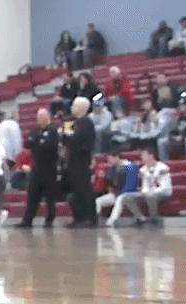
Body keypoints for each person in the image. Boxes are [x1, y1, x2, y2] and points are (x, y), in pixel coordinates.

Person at [16, 109, 60, 228]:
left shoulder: (53, 130)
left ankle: (50, 219)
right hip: (37, 167)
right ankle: (27, 220)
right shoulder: (34, 132)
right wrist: (39, 143)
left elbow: (50, 145)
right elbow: (28, 143)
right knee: (32, 195)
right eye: (38, 117)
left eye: (42, 117)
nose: (40, 120)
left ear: (48, 118)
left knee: (50, 196)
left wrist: (37, 143)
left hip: (50, 168)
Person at [62, 96, 98, 228]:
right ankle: (78, 218)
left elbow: (76, 139)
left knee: (84, 189)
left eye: (74, 106)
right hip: (73, 159)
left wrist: (68, 136)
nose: (72, 109)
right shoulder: (76, 123)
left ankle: (90, 218)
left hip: (82, 159)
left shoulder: (86, 122)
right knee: (76, 190)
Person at [113, 149, 172, 226]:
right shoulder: (143, 169)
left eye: (144, 156)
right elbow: (145, 186)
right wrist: (144, 192)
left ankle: (154, 219)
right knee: (126, 197)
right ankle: (140, 218)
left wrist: (149, 193)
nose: (142, 158)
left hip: (163, 191)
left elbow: (165, 186)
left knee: (150, 196)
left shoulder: (163, 167)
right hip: (148, 193)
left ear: (151, 155)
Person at [95, 150, 140, 226]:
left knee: (122, 199)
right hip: (117, 193)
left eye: (111, 159)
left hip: (128, 192)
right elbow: (111, 183)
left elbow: (131, 183)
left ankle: (111, 222)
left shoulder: (129, 166)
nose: (109, 161)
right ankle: (95, 219)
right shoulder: (113, 168)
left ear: (116, 157)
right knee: (98, 201)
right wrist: (104, 177)